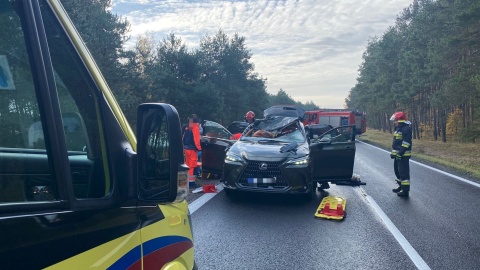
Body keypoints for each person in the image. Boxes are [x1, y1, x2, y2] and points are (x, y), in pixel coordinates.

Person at [390, 111, 412, 197]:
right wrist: (394, 154)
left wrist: (400, 153)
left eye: (395, 120)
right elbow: (396, 143)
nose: (394, 122)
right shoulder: (398, 128)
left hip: (403, 155)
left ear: (400, 120)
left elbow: (406, 143)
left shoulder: (406, 129)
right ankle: (401, 187)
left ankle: (405, 191)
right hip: (398, 155)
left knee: (404, 173)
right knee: (398, 172)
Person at [183, 114, 202, 188]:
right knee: (192, 166)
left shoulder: (187, 127)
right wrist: (199, 148)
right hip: (192, 150)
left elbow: (183, 138)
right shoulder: (195, 128)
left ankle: (187, 181)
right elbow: (196, 140)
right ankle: (191, 183)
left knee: (187, 165)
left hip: (186, 149)